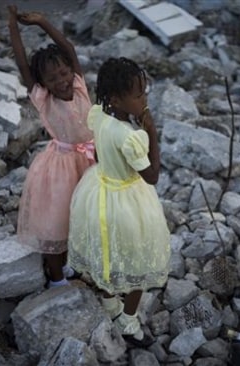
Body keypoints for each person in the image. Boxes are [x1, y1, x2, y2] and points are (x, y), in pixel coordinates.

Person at [67, 57, 170, 347]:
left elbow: (99, 156)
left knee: (107, 249)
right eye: (139, 95)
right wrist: (151, 131)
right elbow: (151, 176)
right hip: (129, 201)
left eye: (144, 92)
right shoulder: (131, 136)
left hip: (100, 190)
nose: (144, 99)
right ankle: (128, 319)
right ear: (117, 98)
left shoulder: (99, 115)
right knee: (136, 260)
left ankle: (110, 301)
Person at [8, 6, 95, 288]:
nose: (62, 81)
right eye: (53, 79)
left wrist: (43, 22)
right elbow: (22, 64)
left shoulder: (80, 86)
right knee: (56, 220)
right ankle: (56, 279)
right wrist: (13, 25)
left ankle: (69, 265)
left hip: (90, 162)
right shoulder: (45, 100)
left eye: (63, 73)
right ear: (42, 85)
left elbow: (67, 47)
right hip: (61, 167)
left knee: (79, 217)